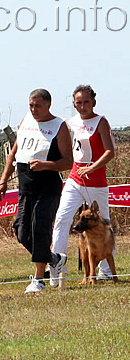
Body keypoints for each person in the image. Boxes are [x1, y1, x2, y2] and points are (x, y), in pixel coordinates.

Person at [0, 88, 73, 293]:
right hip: (25, 187)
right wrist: (3, 180)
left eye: (38, 105)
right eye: (31, 105)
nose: (34, 109)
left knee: (40, 228)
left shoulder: (59, 126)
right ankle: (54, 259)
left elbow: (68, 162)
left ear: (48, 105)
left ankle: (38, 279)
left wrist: (45, 165)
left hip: (47, 187)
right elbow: (13, 153)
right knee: (21, 232)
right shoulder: (25, 121)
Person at [48, 85, 115, 286]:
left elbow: (110, 152)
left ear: (93, 102)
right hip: (75, 179)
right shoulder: (71, 123)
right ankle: (57, 265)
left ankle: (105, 270)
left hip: (96, 182)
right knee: (62, 219)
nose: (83, 106)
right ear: (74, 104)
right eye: (79, 103)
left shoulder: (101, 122)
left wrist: (92, 168)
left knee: (104, 224)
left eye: (86, 102)